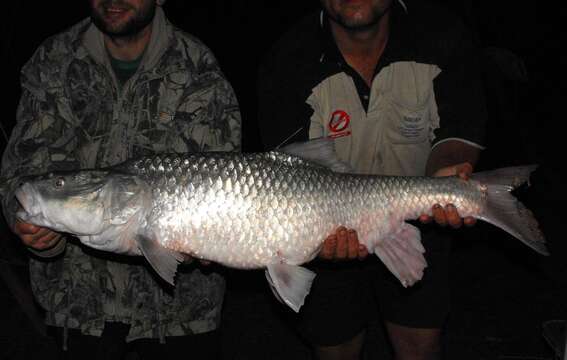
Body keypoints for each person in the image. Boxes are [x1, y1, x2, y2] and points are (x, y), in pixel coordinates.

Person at [1, 0, 241, 358]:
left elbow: (225, 186)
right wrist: (36, 235)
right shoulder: (55, 60)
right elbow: (22, 171)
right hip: (78, 306)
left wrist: (203, 244)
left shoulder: (197, 69)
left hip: (178, 315)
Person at [257, 0, 486, 359]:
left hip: (419, 219)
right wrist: (310, 239)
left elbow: (459, 129)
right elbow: (287, 172)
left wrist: (449, 174)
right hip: (322, 230)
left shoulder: (442, 36)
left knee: (419, 344)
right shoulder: (286, 62)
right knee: (336, 347)